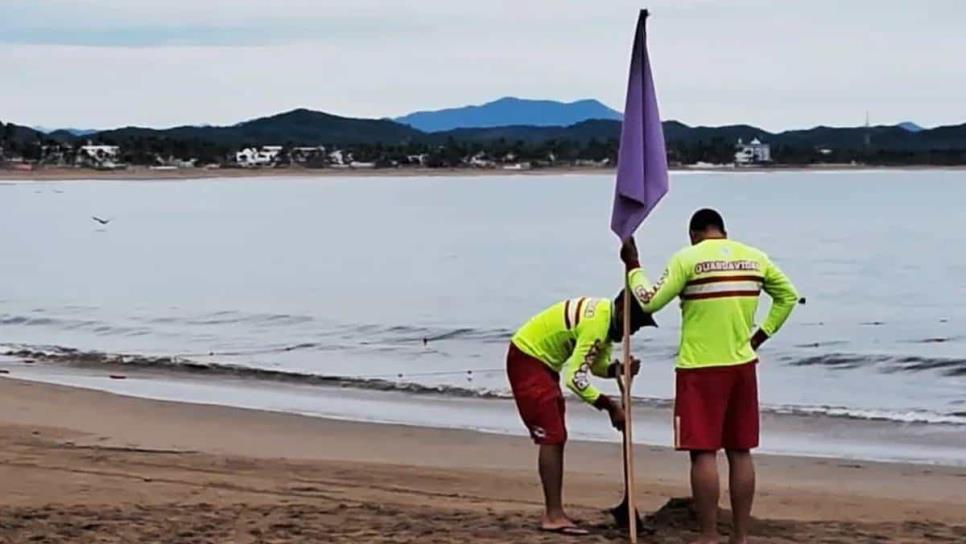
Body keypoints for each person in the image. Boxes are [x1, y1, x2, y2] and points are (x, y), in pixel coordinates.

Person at [620, 208, 799, 544]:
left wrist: (633, 266)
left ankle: (709, 534)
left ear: (694, 234)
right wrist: (760, 336)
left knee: (703, 452)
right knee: (740, 451)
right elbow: (788, 296)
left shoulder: (688, 258)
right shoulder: (755, 257)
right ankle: (740, 537)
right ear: (723, 232)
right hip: (743, 365)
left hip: (700, 369)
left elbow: (649, 301)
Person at [507, 292, 655, 535]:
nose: (632, 333)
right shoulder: (597, 324)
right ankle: (553, 515)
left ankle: (555, 511)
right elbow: (575, 378)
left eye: (637, 328)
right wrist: (610, 406)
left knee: (557, 435)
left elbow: (594, 365)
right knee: (552, 436)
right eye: (634, 324)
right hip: (528, 360)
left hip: (542, 365)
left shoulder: (605, 323)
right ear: (621, 311)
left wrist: (617, 369)